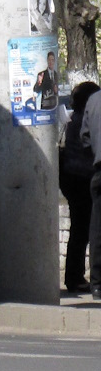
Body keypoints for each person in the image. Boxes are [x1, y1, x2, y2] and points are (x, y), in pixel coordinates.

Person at [60, 81, 98, 293]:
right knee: (87, 230)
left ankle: (74, 276)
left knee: (79, 229)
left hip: (72, 179)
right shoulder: (86, 119)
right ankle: (77, 277)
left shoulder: (72, 119)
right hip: (84, 178)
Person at [81, 80, 101, 298]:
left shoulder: (94, 100)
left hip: (99, 170)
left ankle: (97, 283)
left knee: (97, 230)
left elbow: (84, 138)